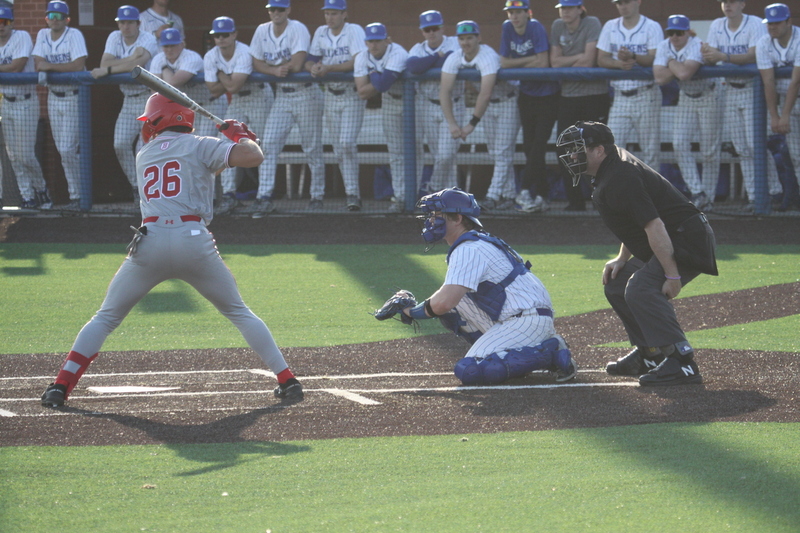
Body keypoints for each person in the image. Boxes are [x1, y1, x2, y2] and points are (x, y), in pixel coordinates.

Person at [41, 93, 304, 408]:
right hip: (193, 240)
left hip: (149, 243)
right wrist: (240, 136)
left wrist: (228, 142)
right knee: (238, 312)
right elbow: (253, 156)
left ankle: (60, 386)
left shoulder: (145, 152)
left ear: (158, 120)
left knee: (106, 317)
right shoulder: (200, 145)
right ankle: (287, 380)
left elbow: (195, 172)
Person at [557, 121, 718, 386]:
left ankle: (682, 361)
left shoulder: (620, 176)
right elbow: (635, 224)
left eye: (578, 149)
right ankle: (649, 354)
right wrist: (622, 258)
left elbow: (654, 225)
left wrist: (672, 275)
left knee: (640, 289)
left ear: (598, 150)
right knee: (617, 283)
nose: (572, 156)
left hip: (686, 239)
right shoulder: (611, 169)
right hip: (675, 235)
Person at [377, 187, 576, 386]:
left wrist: (412, 311)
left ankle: (551, 353)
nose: (430, 221)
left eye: (436, 216)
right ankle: (510, 354)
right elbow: (448, 302)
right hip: (518, 316)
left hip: (526, 320)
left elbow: (444, 301)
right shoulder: (474, 243)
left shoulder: (469, 249)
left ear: (457, 218)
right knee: (454, 307)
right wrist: (420, 308)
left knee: (470, 370)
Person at [249, 0, 324, 215]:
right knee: (268, 144)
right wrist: (274, 71)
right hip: (281, 95)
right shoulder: (262, 30)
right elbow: (256, 61)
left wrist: (273, 67)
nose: (276, 13)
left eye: (280, 9)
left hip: (306, 94)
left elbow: (298, 63)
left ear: (288, 10)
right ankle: (264, 196)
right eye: (272, 9)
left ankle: (317, 196)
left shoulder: (297, 27)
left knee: (311, 148)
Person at [702, 0, 774, 213]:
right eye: (724, 2)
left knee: (755, 145)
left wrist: (723, 56)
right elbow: (710, 55)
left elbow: (754, 54)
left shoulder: (755, 24)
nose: (728, 5)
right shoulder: (717, 25)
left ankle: (773, 190)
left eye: (732, 1)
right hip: (730, 89)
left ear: (742, 4)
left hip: (753, 90)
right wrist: (709, 53)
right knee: (741, 147)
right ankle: (754, 196)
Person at [440, 21, 519, 212]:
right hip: (490, 107)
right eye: (462, 38)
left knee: (502, 151)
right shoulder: (455, 56)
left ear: (478, 38)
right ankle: (508, 195)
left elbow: (485, 93)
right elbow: (444, 91)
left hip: (508, 101)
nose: (466, 42)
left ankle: (492, 195)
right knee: (496, 151)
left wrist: (471, 125)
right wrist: (452, 123)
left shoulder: (487, 55)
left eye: (470, 38)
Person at [90, 5, 160, 206]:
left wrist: (117, 66)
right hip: (128, 100)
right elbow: (105, 64)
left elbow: (135, 68)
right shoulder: (114, 37)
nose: (126, 26)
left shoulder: (147, 38)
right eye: (122, 22)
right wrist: (130, 58)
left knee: (144, 151)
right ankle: (137, 186)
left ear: (138, 24)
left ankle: (149, 193)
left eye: (130, 22)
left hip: (149, 100)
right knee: (119, 144)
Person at [204, 16, 273, 216]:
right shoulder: (210, 56)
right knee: (225, 143)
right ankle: (228, 195)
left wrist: (221, 75)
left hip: (259, 96)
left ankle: (264, 196)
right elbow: (213, 90)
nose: (221, 39)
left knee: (262, 144)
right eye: (217, 35)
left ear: (234, 34)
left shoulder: (244, 51)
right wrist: (228, 79)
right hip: (237, 101)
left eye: (225, 34)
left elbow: (232, 85)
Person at [653, 15, 721, 212]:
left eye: (679, 32)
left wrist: (671, 61)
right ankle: (697, 192)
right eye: (671, 32)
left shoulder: (696, 44)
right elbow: (659, 78)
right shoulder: (664, 45)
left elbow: (684, 74)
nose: (674, 36)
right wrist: (677, 66)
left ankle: (709, 196)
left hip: (709, 94)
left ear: (687, 32)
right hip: (687, 96)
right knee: (679, 143)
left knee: (709, 150)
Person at [305, 0, 366, 211]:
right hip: (330, 94)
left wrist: (329, 68)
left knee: (347, 142)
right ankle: (352, 194)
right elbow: (310, 59)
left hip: (351, 95)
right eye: (327, 13)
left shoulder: (354, 30)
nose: (329, 17)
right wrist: (314, 68)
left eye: (334, 13)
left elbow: (358, 61)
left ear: (344, 14)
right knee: (339, 147)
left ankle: (353, 192)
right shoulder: (321, 32)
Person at [500, 0, 559, 214]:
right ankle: (543, 195)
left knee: (538, 145)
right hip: (526, 94)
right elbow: (504, 62)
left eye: (518, 12)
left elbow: (543, 63)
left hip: (548, 95)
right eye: (511, 13)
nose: (514, 17)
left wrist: (521, 62)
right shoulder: (507, 28)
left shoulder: (536, 27)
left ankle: (524, 190)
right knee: (528, 146)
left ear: (528, 13)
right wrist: (530, 59)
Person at [550, 0, 609, 212]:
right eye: (562, 8)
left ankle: (603, 200)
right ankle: (576, 202)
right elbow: (554, 62)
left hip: (595, 96)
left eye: (569, 7)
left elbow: (589, 61)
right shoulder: (557, 26)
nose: (564, 12)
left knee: (598, 150)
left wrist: (569, 60)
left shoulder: (592, 22)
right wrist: (577, 58)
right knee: (564, 148)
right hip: (568, 96)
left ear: (579, 9)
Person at [32, 0, 88, 212]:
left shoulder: (74, 35)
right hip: (53, 97)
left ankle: (80, 195)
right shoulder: (42, 35)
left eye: (59, 16)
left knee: (67, 149)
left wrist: (51, 66)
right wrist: (49, 67)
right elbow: (38, 61)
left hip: (74, 96)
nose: (54, 20)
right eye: (51, 16)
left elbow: (78, 64)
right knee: (64, 150)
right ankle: (77, 195)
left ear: (67, 19)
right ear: (46, 18)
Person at [597, 0, 663, 173]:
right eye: (619, 3)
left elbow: (656, 58)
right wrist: (618, 64)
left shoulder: (652, 26)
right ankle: (616, 196)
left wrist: (633, 56)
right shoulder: (610, 26)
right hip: (620, 96)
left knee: (650, 153)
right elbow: (601, 58)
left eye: (626, 2)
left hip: (646, 94)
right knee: (611, 149)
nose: (622, 6)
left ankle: (653, 196)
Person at [354, 22, 409, 213]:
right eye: (370, 41)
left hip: (413, 102)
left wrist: (373, 74)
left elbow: (383, 83)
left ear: (388, 40)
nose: (374, 45)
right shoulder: (363, 55)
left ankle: (419, 198)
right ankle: (401, 197)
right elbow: (362, 92)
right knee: (395, 152)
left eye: (378, 40)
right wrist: (378, 76)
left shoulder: (398, 52)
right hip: (390, 102)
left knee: (415, 150)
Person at [0, 5, 50, 210]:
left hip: (25, 101)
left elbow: (17, 66)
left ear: (12, 23)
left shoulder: (21, 37)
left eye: (5, 22)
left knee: (25, 154)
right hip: (6, 102)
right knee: (13, 155)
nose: (1, 26)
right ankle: (27, 196)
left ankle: (41, 190)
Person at [407, 10, 462, 195]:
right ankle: (450, 199)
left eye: (435, 28)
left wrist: (430, 63)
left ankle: (432, 188)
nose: (431, 33)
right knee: (440, 156)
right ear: (422, 31)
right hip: (427, 105)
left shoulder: (454, 42)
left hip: (454, 104)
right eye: (427, 29)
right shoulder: (417, 48)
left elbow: (452, 61)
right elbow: (414, 67)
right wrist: (437, 57)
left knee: (446, 155)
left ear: (442, 28)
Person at [757, 3, 800, 210]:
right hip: (786, 103)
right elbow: (768, 81)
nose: (772, 27)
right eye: (769, 23)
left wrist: (784, 115)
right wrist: (775, 116)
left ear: (788, 21)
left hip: (792, 99)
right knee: (796, 155)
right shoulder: (764, 43)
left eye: (777, 23)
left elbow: (796, 81)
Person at [149, 28, 221, 139]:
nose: (169, 49)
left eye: (173, 45)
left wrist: (164, 69)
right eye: (166, 46)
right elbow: (155, 91)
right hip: (189, 108)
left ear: (182, 44)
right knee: (192, 141)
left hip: (210, 104)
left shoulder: (191, 57)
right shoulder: (158, 59)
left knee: (206, 140)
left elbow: (172, 85)